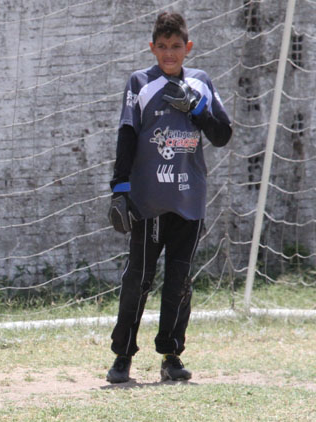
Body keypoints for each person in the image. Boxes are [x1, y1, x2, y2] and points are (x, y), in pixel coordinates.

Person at [105, 12, 232, 383]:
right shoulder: (140, 83)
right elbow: (126, 136)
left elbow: (223, 134)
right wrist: (120, 189)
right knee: (138, 279)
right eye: (162, 46)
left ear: (187, 48)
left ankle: (171, 354)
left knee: (179, 281)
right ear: (152, 48)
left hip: (189, 201)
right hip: (150, 202)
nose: (169, 53)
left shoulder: (201, 83)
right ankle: (122, 356)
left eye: (176, 46)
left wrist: (197, 109)